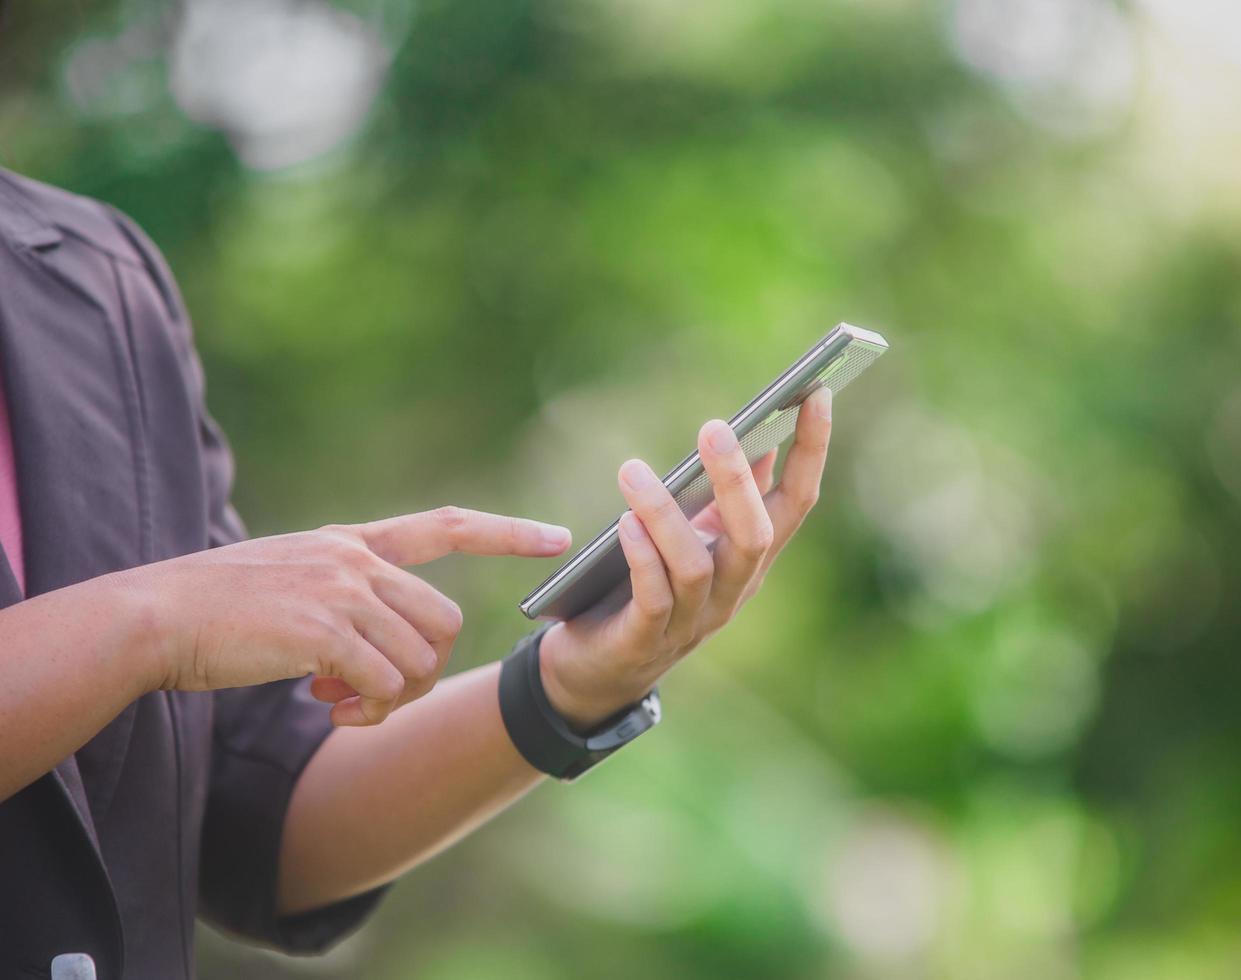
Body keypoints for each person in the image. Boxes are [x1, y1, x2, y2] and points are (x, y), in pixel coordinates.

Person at [0, 165, 833, 979]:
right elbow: (157, 626)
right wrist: (152, 621)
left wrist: (569, 687)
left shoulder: (97, 276)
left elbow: (257, 824)